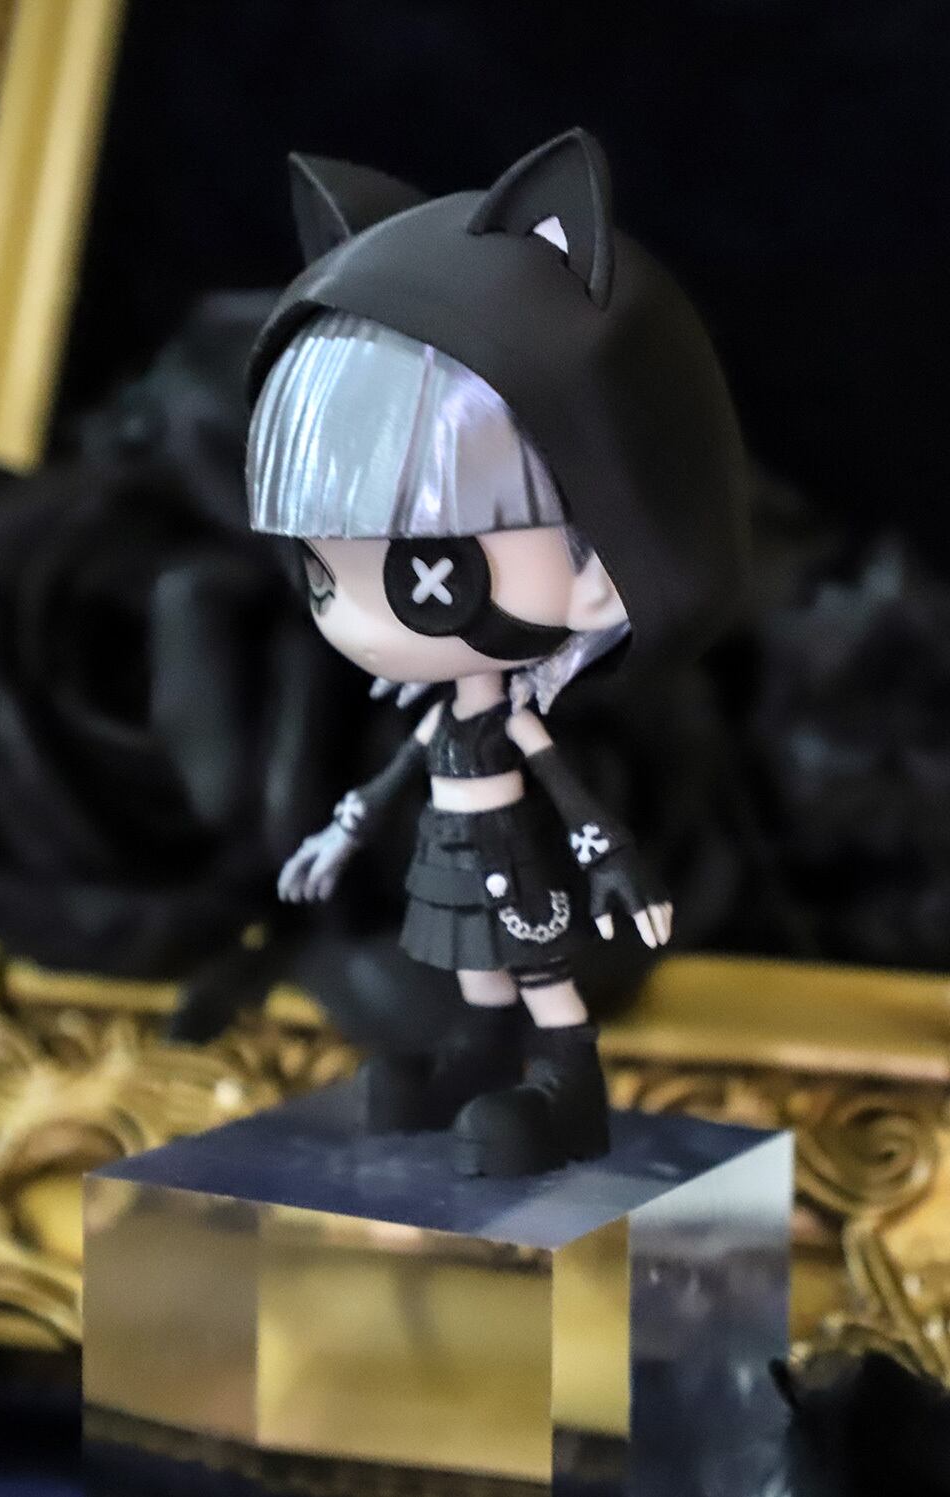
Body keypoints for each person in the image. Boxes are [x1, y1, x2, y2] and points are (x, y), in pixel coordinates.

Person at [245, 129, 753, 1175]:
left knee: (536, 965)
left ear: (601, 560)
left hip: (515, 854)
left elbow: (567, 792)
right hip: (451, 848)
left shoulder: (517, 714)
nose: (362, 618)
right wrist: (339, 835)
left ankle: (566, 1076)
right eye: (324, 572)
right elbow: (396, 775)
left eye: (429, 568)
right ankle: (475, 1058)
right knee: (474, 969)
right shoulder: (446, 714)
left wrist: (617, 869)